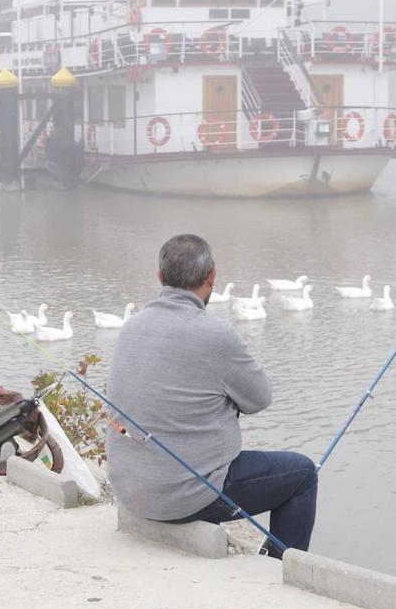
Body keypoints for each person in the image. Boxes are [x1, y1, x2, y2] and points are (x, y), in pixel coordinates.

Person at [105, 233, 317, 557]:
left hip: (130, 489)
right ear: (212, 277)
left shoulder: (132, 326)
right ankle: (281, 572)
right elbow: (260, 398)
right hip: (186, 497)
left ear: (160, 277)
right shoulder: (216, 335)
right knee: (302, 474)